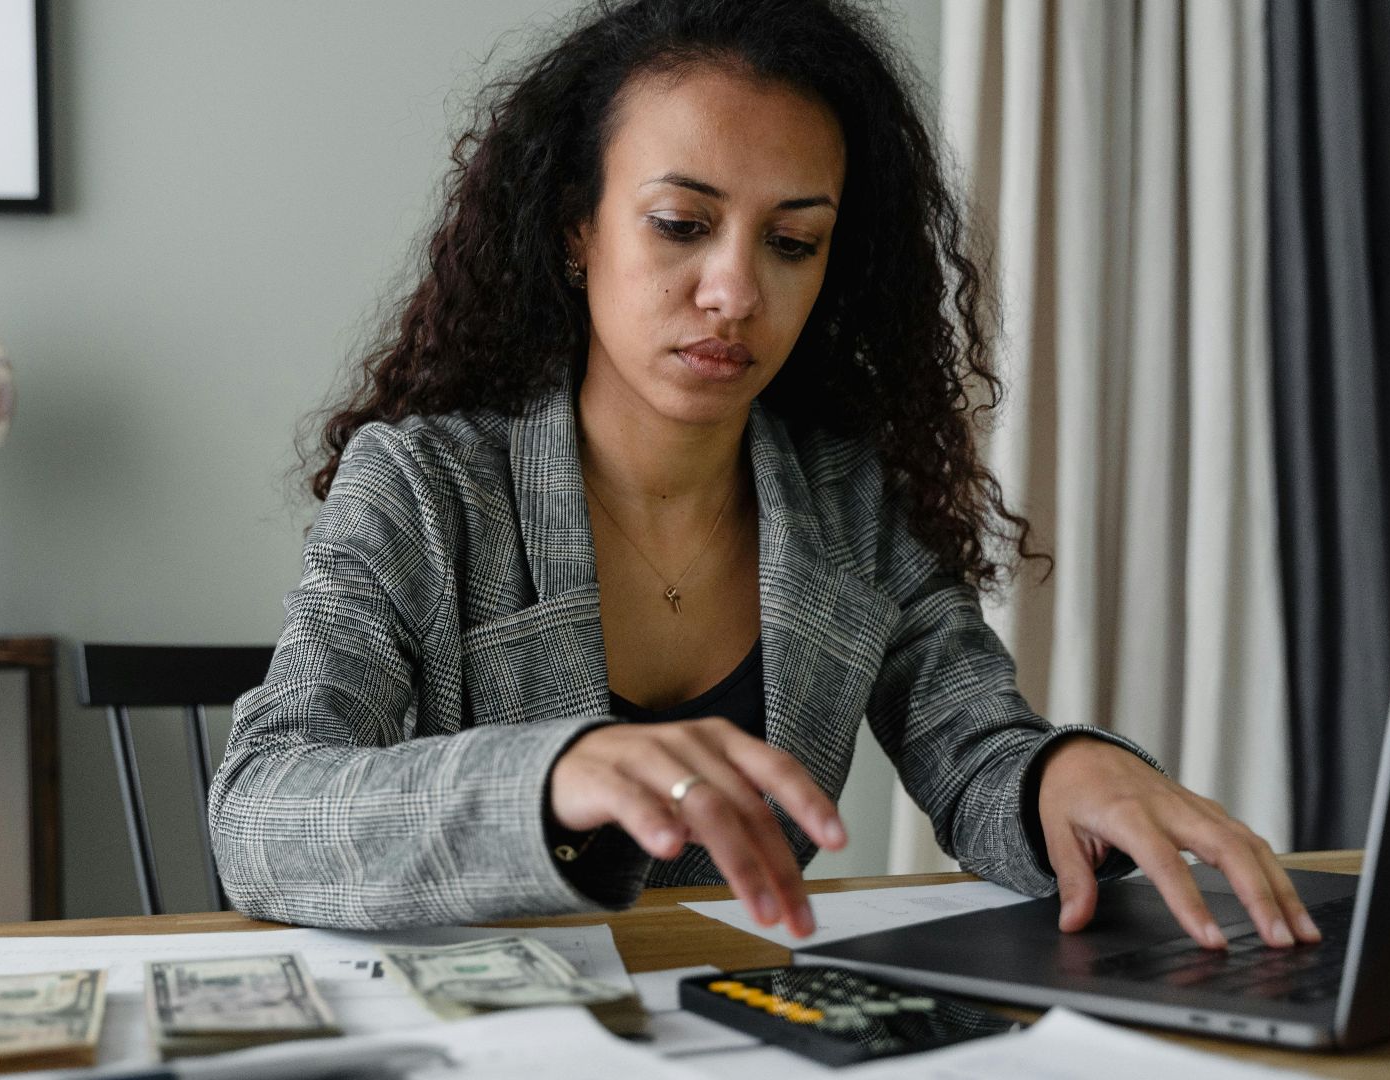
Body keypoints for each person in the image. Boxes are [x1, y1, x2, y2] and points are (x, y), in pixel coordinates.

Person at [208, 0, 1318, 952]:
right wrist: (555, 776)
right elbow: (259, 810)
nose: (735, 290)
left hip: (748, 1031)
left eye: (792, 242)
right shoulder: (422, 485)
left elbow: (976, 749)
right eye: (683, 225)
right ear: (577, 232)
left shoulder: (850, 505)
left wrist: (1058, 777)